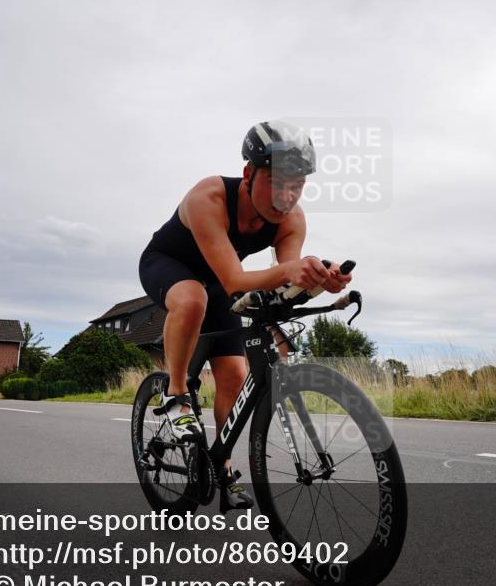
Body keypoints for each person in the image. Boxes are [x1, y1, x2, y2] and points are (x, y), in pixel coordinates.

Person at [138, 121, 351, 510]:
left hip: (218, 284)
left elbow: (282, 283)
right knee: (191, 298)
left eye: (298, 185)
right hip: (169, 265)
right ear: (249, 173)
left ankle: (224, 470)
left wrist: (318, 280)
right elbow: (237, 279)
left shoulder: (291, 219)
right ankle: (175, 393)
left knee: (235, 374)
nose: (287, 196)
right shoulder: (210, 197)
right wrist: (291, 271)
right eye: (277, 181)